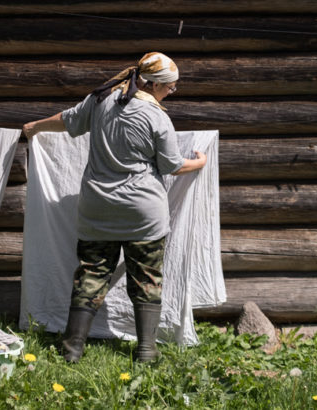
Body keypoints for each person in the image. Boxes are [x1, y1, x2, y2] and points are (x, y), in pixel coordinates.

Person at [21, 52, 207, 363]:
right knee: (146, 279)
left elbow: (66, 121)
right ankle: (146, 351)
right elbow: (172, 165)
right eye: (171, 88)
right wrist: (199, 163)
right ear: (154, 84)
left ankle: (71, 350)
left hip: (98, 209)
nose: (171, 93)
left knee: (91, 275)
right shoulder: (157, 116)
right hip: (143, 214)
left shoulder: (100, 99)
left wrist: (34, 127)